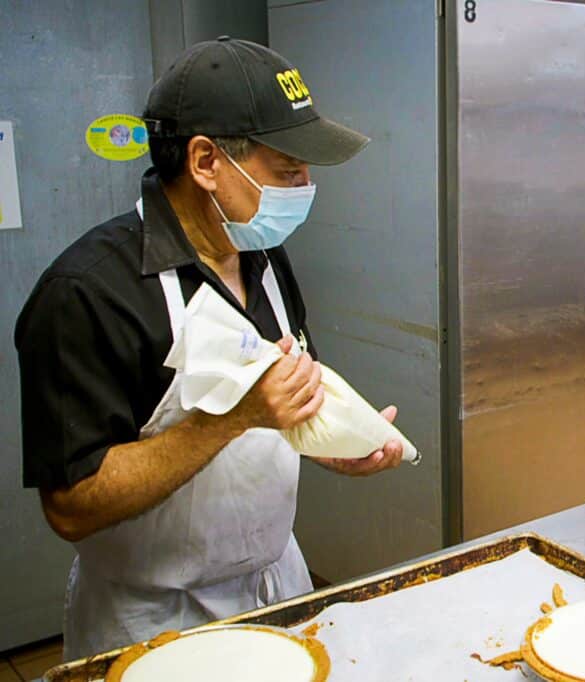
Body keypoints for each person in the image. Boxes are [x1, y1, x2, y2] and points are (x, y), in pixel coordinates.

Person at [16, 37, 403, 660]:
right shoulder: (87, 294)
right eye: (288, 171)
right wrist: (232, 416)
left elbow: (283, 409)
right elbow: (71, 506)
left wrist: (338, 444)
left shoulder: (266, 259)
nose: (305, 188)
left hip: (278, 586)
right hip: (150, 619)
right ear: (204, 161)